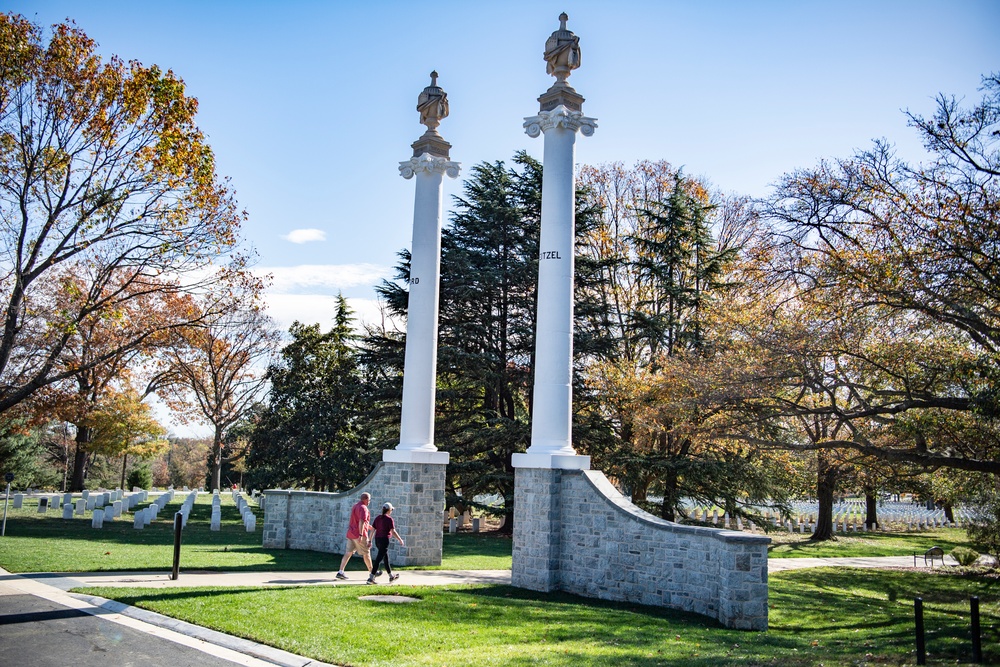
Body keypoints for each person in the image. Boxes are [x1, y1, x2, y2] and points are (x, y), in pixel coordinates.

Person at [336, 492, 372, 580]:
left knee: (348, 552)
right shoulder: (364, 508)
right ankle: (372, 573)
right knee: (366, 553)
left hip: (351, 533)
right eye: (369, 500)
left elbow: (357, 521)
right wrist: (360, 534)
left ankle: (340, 571)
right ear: (366, 499)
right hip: (359, 534)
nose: (369, 502)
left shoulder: (355, 506)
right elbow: (361, 522)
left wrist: (370, 527)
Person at [367, 502, 404, 584]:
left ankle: (391, 576)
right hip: (384, 540)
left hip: (377, 540)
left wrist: (370, 540)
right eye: (391, 510)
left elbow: (372, 530)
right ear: (389, 510)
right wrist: (400, 539)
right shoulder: (389, 519)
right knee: (379, 559)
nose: (391, 511)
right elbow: (393, 531)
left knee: (385, 558)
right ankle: (371, 577)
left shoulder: (378, 518)